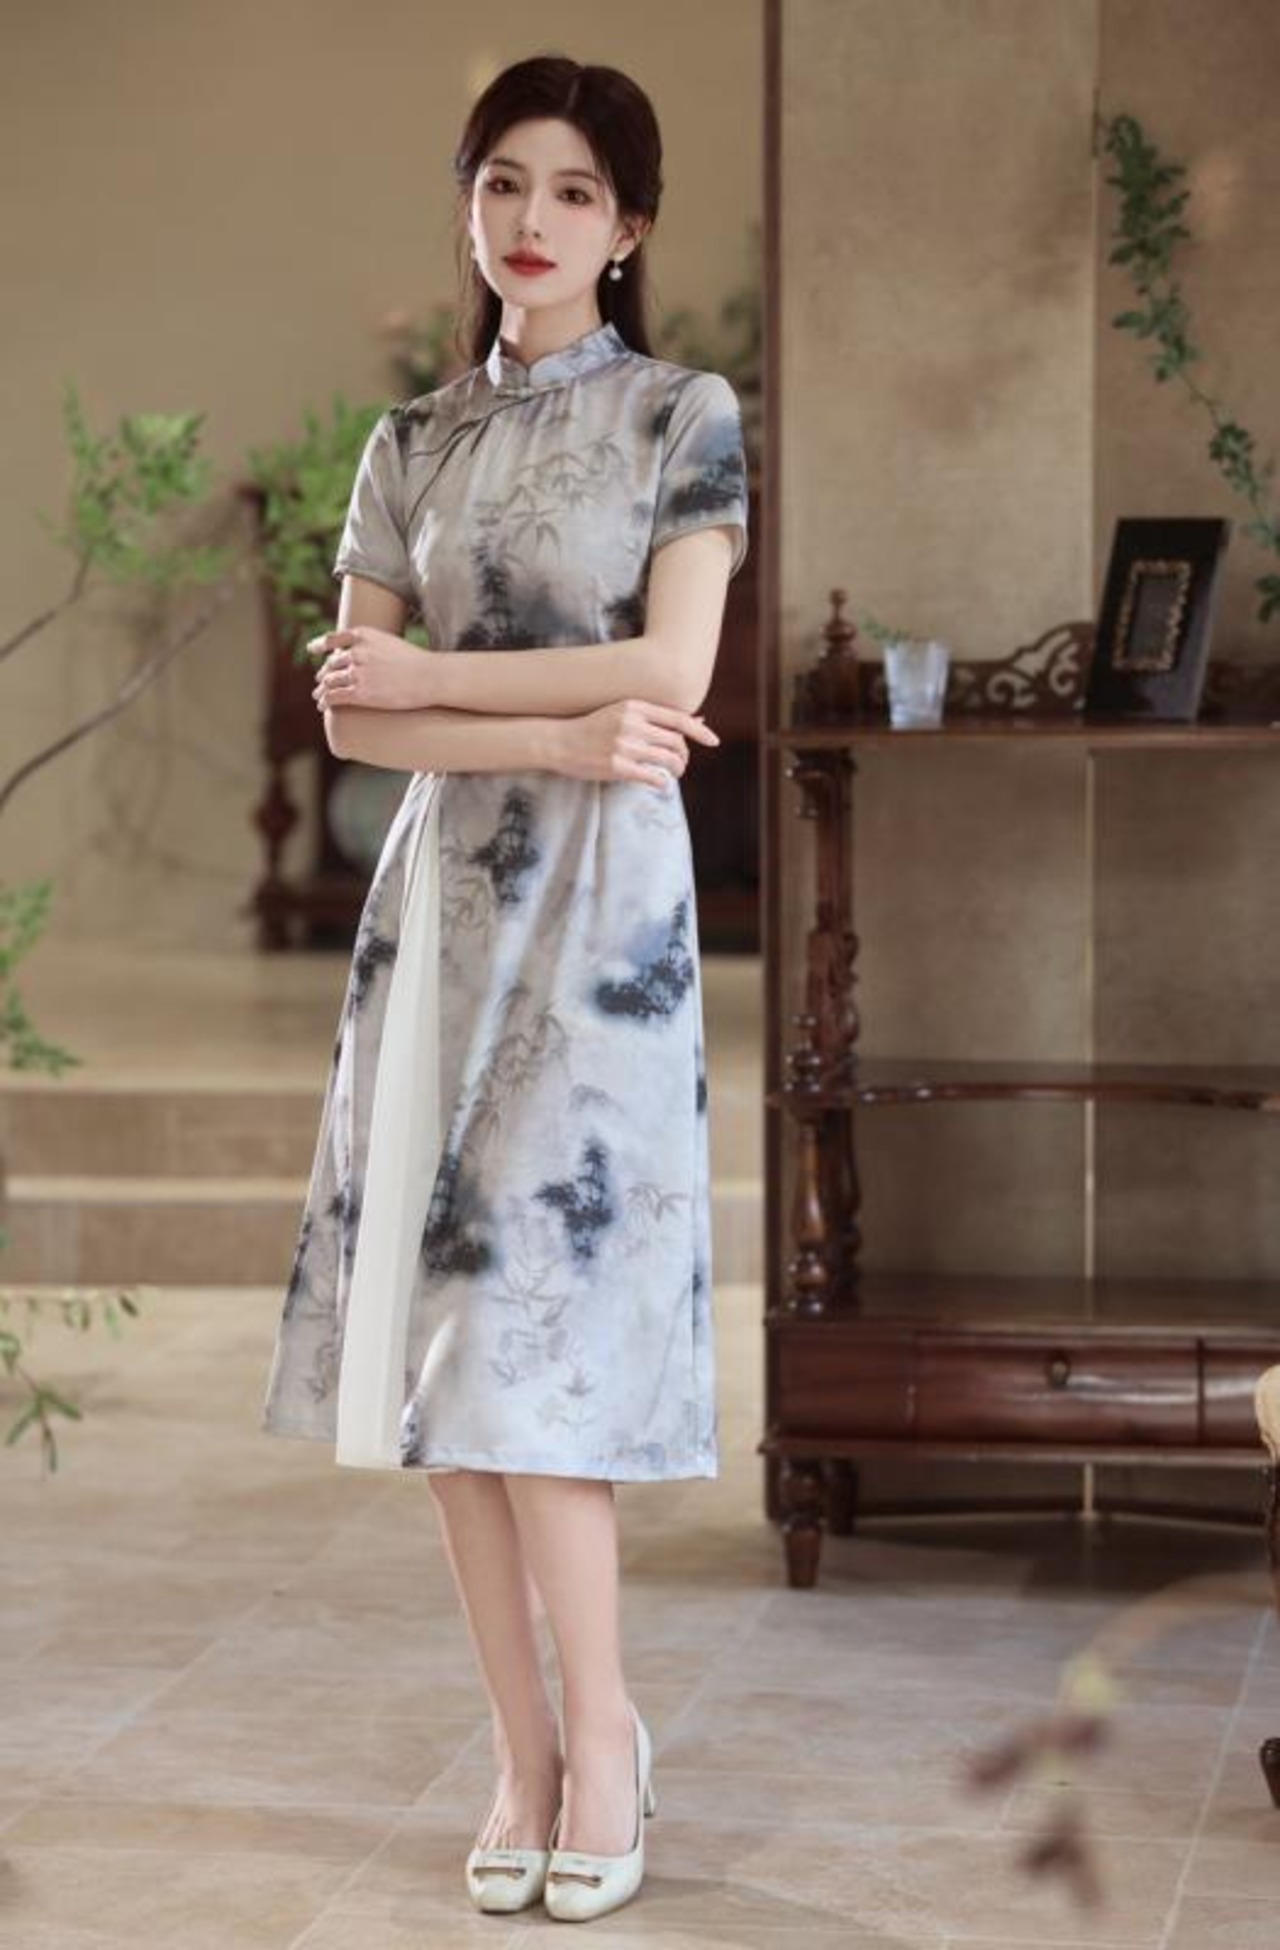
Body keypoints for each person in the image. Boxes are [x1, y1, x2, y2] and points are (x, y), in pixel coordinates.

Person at [259, 51, 749, 1924]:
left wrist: (441, 690)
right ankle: (522, 1752)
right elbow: (350, 716)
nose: (532, 220)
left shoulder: (683, 414)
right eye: (502, 184)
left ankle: (605, 1740)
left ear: (628, 228)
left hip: (603, 931)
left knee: (540, 1347)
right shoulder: (410, 445)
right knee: (439, 1359)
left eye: (573, 191)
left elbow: (673, 669)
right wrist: (550, 732)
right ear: (468, 207)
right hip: (443, 912)